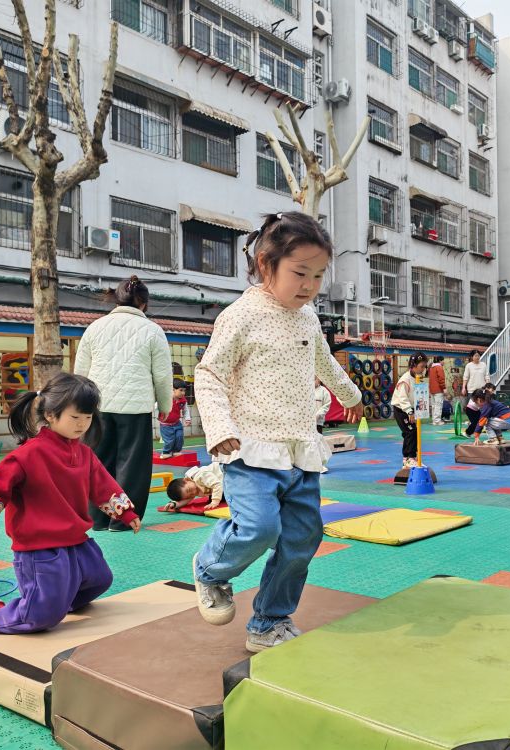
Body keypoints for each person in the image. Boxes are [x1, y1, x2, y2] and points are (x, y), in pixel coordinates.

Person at [192, 212, 363, 653]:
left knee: (303, 539)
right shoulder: (241, 316)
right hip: (250, 450)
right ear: (266, 264)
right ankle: (210, 568)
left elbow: (325, 361)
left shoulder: (307, 318)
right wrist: (219, 427)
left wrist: (351, 395)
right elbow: (209, 374)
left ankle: (269, 621)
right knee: (259, 527)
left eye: (318, 275)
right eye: (300, 273)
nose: (310, 285)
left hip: (299, 450)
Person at [0, 373, 140, 633]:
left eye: (88, 417)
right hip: (40, 547)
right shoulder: (29, 453)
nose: (82, 424)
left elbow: (103, 486)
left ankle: (56, 602)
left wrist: (125, 512)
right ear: (50, 415)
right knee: (40, 617)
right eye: (75, 417)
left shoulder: (84, 453)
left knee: (99, 579)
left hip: (76, 539)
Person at [75, 275, 173, 530]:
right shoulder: (152, 330)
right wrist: (165, 405)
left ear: (116, 299)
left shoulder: (95, 327)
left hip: (97, 405)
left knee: (97, 461)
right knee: (132, 465)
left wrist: (80, 404)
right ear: (144, 303)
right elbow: (163, 375)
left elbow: (81, 370)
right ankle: (122, 520)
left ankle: (96, 518)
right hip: (135, 406)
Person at [391, 352, 428, 468]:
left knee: (413, 432)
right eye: (421, 366)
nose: (423, 369)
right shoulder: (405, 380)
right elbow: (403, 398)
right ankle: (409, 458)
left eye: (424, 366)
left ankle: (410, 458)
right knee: (410, 432)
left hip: (411, 408)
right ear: (413, 365)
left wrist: (421, 409)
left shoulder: (418, 377)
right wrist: (409, 412)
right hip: (401, 409)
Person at [158, 380, 191, 459]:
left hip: (177, 423)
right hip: (165, 425)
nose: (183, 393)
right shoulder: (166, 399)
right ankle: (166, 452)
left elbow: (185, 410)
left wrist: (187, 419)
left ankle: (176, 451)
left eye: (184, 391)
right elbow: (157, 405)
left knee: (179, 437)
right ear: (173, 390)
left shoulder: (183, 400)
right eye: (181, 390)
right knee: (169, 440)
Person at [428, 356, 447, 426]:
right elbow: (441, 379)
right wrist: (444, 388)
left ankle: (434, 420)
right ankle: (437, 421)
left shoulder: (431, 368)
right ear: (440, 361)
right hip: (438, 389)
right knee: (438, 405)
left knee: (434, 405)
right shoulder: (439, 367)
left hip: (432, 389)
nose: (444, 362)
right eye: (443, 360)